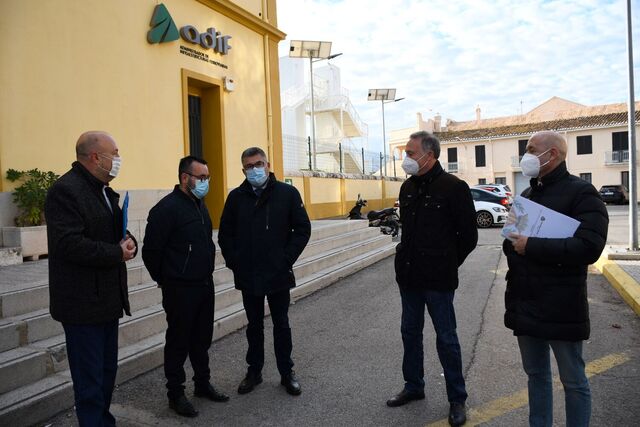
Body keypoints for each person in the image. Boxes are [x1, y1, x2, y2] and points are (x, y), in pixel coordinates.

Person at [504, 131, 608, 427]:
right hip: (526, 302)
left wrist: (531, 246)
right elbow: (511, 242)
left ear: (553, 155)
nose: (526, 155)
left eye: (531, 149)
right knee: (536, 376)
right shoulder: (527, 194)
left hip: (562, 306)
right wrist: (512, 242)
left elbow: (590, 247)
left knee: (573, 380)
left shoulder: (582, 194)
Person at [45, 131, 137, 426]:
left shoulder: (103, 189)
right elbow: (68, 244)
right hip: (82, 305)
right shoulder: (66, 191)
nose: (119, 159)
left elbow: (110, 233)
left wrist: (129, 241)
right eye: (115, 152)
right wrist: (115, 252)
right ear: (96, 157)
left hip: (107, 301)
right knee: (90, 384)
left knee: (105, 377)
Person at [389, 131, 477, 427]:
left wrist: (447, 263)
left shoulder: (454, 187)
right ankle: (414, 386)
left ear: (430, 155)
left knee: (447, 339)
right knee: (409, 333)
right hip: (410, 277)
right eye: (407, 153)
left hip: (438, 280)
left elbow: (469, 236)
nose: (406, 158)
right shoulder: (407, 189)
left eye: (411, 153)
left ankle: (457, 398)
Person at [218, 147, 311, 396]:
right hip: (249, 274)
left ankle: (286, 372)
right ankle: (254, 371)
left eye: (259, 164)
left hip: (278, 273)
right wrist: (235, 262)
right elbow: (226, 234)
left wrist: (285, 259)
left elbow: (302, 229)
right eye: (249, 166)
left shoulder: (287, 193)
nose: (255, 169)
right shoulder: (236, 198)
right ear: (243, 170)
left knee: (282, 324)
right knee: (254, 325)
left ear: (268, 165)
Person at [142, 156, 229, 417]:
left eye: (208, 178)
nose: (206, 183)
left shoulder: (200, 205)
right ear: (184, 178)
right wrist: (167, 279)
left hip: (204, 284)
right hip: (180, 289)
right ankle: (176, 394)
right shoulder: (165, 210)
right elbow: (151, 252)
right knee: (179, 341)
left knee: (201, 340)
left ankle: (202, 384)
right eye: (201, 178)